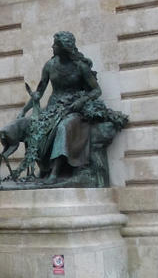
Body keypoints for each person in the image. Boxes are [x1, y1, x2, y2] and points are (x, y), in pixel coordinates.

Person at [21, 32, 107, 183]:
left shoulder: (80, 66)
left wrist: (83, 100)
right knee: (32, 127)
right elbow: (39, 92)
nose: (52, 47)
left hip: (74, 109)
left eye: (55, 44)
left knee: (63, 127)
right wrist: (24, 110)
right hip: (53, 108)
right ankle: (42, 168)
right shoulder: (49, 65)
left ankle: (55, 171)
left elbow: (96, 90)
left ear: (63, 48)